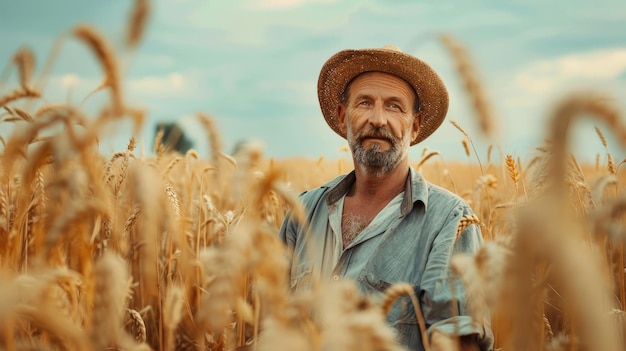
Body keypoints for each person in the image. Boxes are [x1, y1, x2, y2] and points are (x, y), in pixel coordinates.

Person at [278, 45, 494, 351]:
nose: (378, 119)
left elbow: (459, 345)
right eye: (365, 103)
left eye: (394, 106)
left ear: (415, 126)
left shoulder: (449, 221)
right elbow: (267, 320)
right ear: (343, 117)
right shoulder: (303, 212)